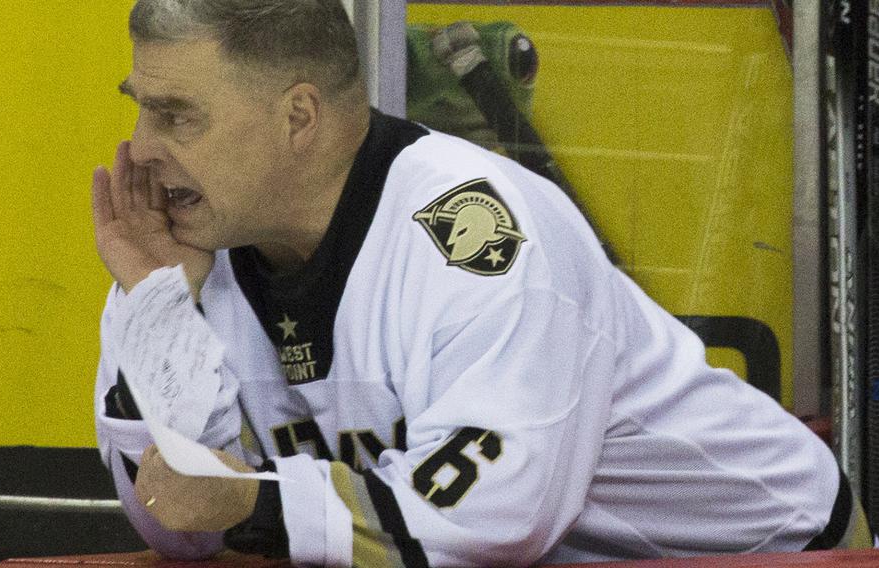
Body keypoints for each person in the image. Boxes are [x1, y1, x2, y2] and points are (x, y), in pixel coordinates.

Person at [92, 1, 870, 565]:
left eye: (176, 115)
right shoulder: (192, 253)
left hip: (765, 550)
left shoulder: (476, 231)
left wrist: (257, 504)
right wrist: (155, 309)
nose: (142, 148)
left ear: (299, 117)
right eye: (141, 111)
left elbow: (493, 523)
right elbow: (181, 519)